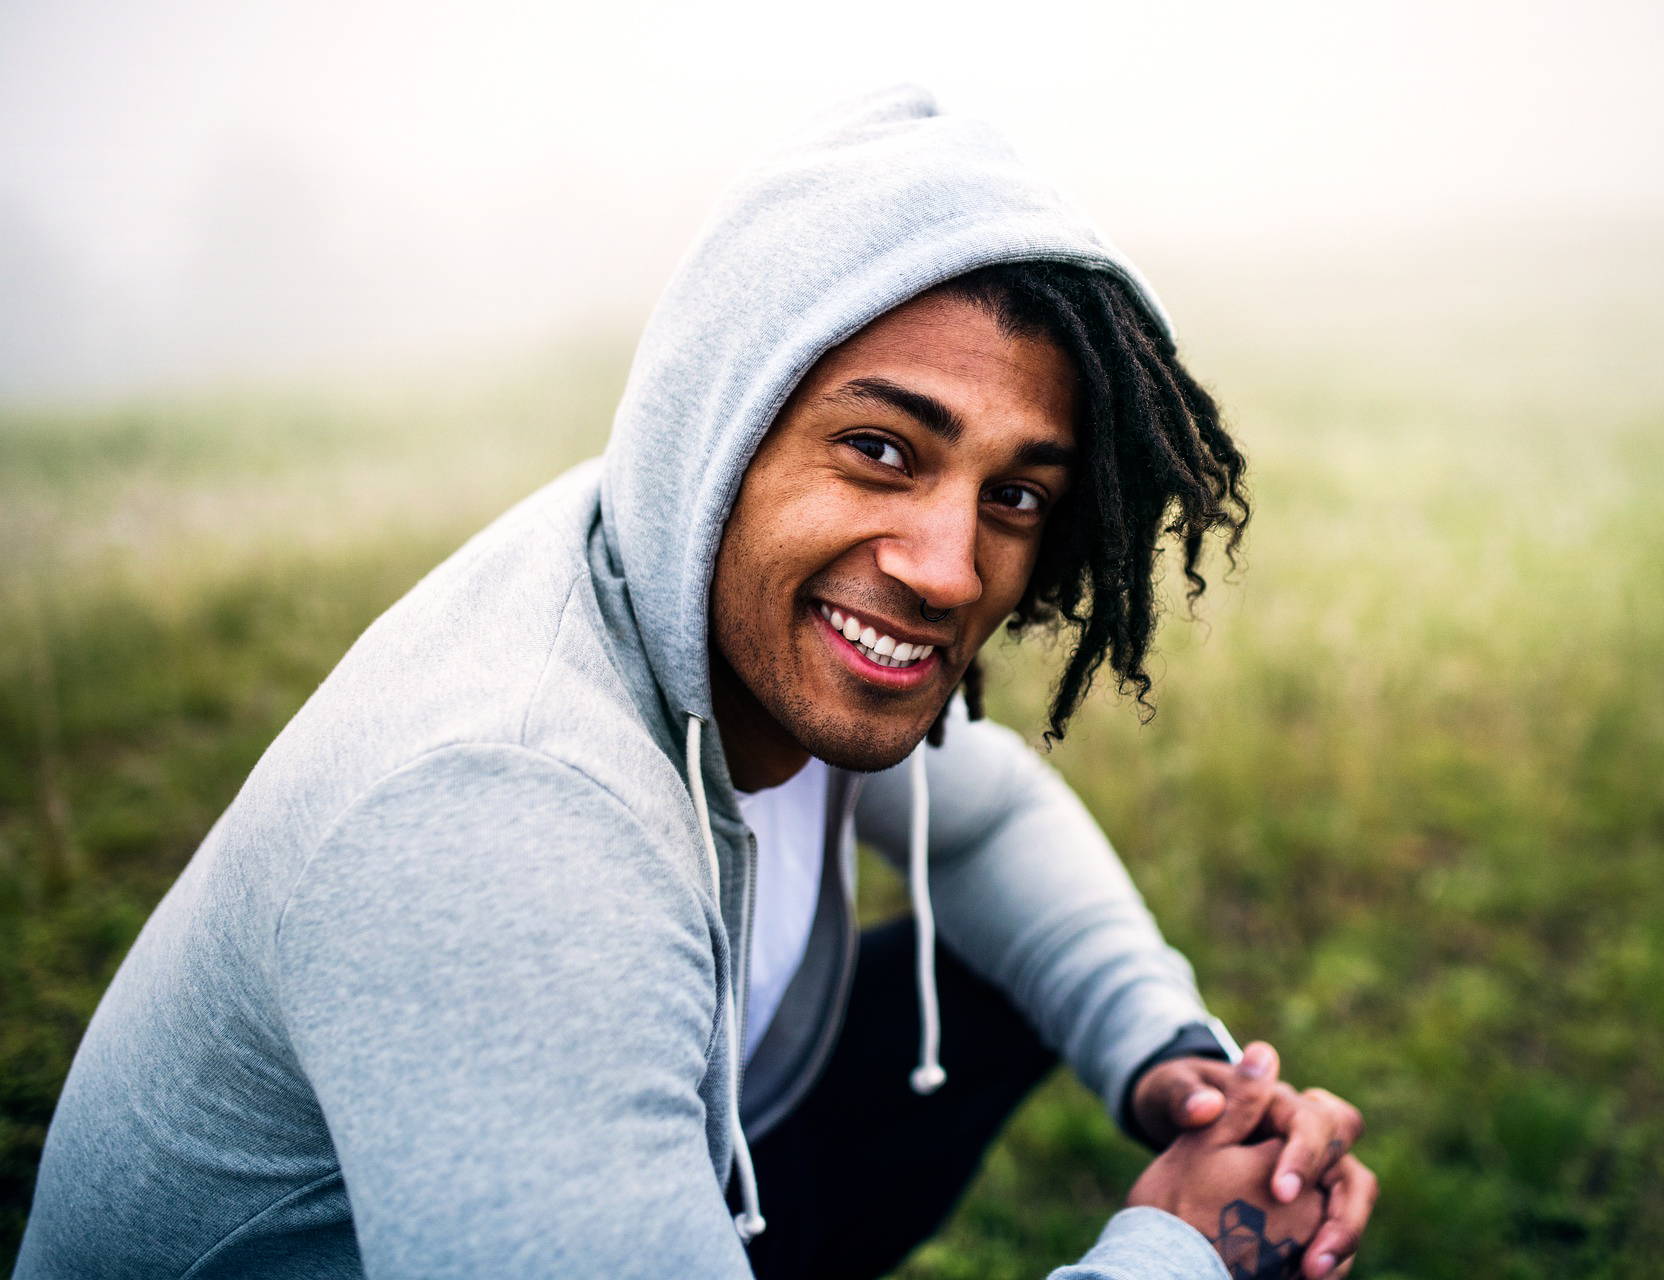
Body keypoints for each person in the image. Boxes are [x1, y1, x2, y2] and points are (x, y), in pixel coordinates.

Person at [15, 87, 1377, 1279]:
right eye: (885, 452)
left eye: (1015, 494)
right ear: (721, 419)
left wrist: (1173, 1061)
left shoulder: (717, 594)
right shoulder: (504, 828)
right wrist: (1184, 1256)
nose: (951, 569)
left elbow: (992, 811)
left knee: (1007, 980)